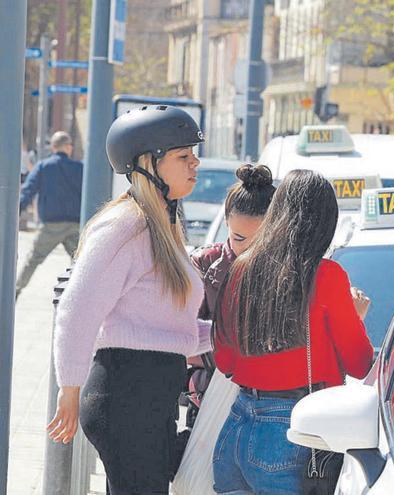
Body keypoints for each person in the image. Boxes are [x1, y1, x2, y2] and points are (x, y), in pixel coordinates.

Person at [47, 105, 210, 494]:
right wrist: (68, 390)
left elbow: (165, 327)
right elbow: (77, 307)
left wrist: (224, 334)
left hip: (148, 397)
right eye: (183, 156)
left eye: (194, 154)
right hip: (126, 397)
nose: (195, 163)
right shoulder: (127, 226)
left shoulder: (161, 226)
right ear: (148, 163)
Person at [212, 169, 373, 494]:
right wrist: (357, 317)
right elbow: (360, 365)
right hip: (293, 431)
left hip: (236, 428)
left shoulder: (241, 269)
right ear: (325, 222)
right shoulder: (326, 276)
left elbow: (225, 362)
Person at [183, 164, 276, 426]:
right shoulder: (203, 264)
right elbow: (179, 340)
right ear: (226, 222)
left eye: (261, 240)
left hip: (270, 407)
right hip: (207, 405)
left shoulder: (287, 271)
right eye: (238, 238)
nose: (248, 249)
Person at [16, 131, 82, 297]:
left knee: (33, 259)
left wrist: (18, 210)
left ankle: (16, 291)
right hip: (76, 225)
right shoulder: (80, 168)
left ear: (53, 147)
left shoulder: (43, 166)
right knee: (80, 262)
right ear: (69, 148)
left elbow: (28, 190)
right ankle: (76, 295)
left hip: (51, 225)